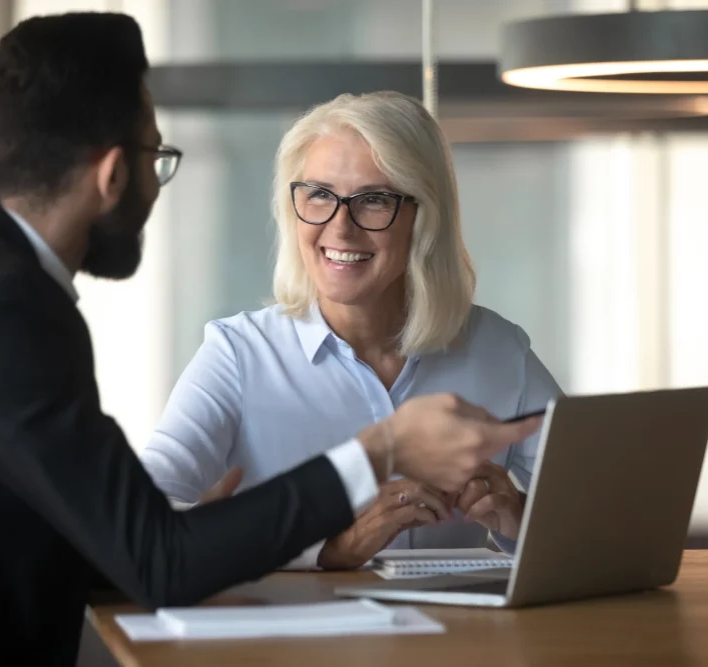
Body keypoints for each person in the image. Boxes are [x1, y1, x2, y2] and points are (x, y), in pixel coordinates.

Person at [0, 14, 542, 666]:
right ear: (112, 175)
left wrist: (208, 534)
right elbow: (155, 557)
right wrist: (382, 448)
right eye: (154, 158)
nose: (341, 225)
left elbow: (115, 539)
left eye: (373, 200)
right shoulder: (4, 308)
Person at [141, 91, 563, 571]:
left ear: (424, 217)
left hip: (460, 643)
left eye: (374, 200)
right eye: (319, 194)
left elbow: (599, 512)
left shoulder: (500, 351)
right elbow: (144, 527)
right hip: (293, 643)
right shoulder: (239, 355)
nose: (339, 228)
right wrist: (326, 548)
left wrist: (520, 518)